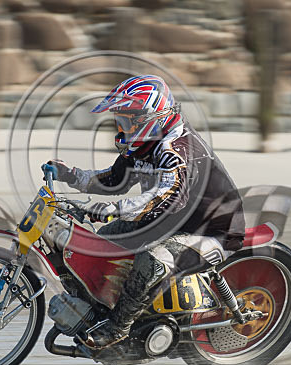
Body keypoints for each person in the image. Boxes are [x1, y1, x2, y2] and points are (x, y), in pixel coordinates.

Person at [44, 74, 245, 350]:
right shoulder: (144, 144)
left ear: (149, 118)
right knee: (101, 243)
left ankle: (118, 329)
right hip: (170, 222)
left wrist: (113, 210)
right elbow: (113, 180)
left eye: (126, 120)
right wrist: (71, 175)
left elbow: (166, 196)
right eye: (119, 120)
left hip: (213, 232)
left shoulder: (177, 149)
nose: (121, 127)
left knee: (151, 260)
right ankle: (103, 309)